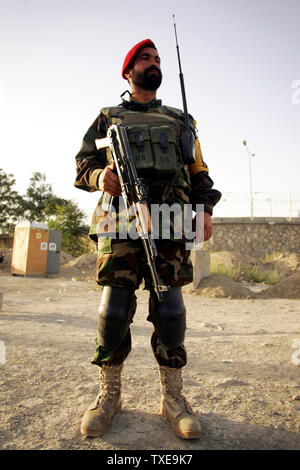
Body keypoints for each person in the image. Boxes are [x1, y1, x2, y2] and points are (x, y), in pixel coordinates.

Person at [75, 39, 221, 439]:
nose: (153, 63)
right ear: (129, 71)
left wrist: (204, 209)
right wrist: (98, 177)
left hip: (171, 221)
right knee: (114, 311)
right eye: (145, 58)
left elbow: (198, 170)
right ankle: (109, 395)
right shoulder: (109, 117)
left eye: (157, 59)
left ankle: (173, 399)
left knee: (171, 310)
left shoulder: (180, 120)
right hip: (119, 221)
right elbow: (84, 161)